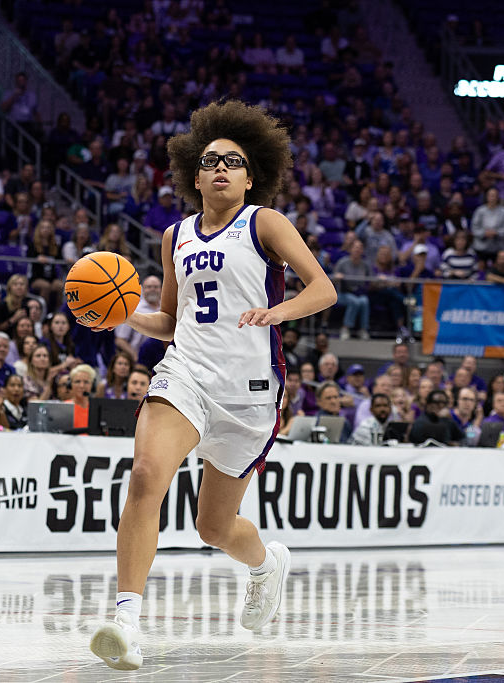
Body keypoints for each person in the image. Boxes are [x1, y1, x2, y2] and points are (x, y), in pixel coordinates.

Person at [88, 100, 337, 671]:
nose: (221, 167)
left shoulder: (264, 222)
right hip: (187, 374)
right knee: (147, 476)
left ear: (251, 177)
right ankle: (126, 621)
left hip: (249, 392)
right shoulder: (174, 236)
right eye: (210, 160)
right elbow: (172, 324)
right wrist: (123, 313)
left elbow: (322, 289)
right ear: (194, 175)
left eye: (233, 161)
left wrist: (279, 313)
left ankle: (265, 564)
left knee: (213, 526)